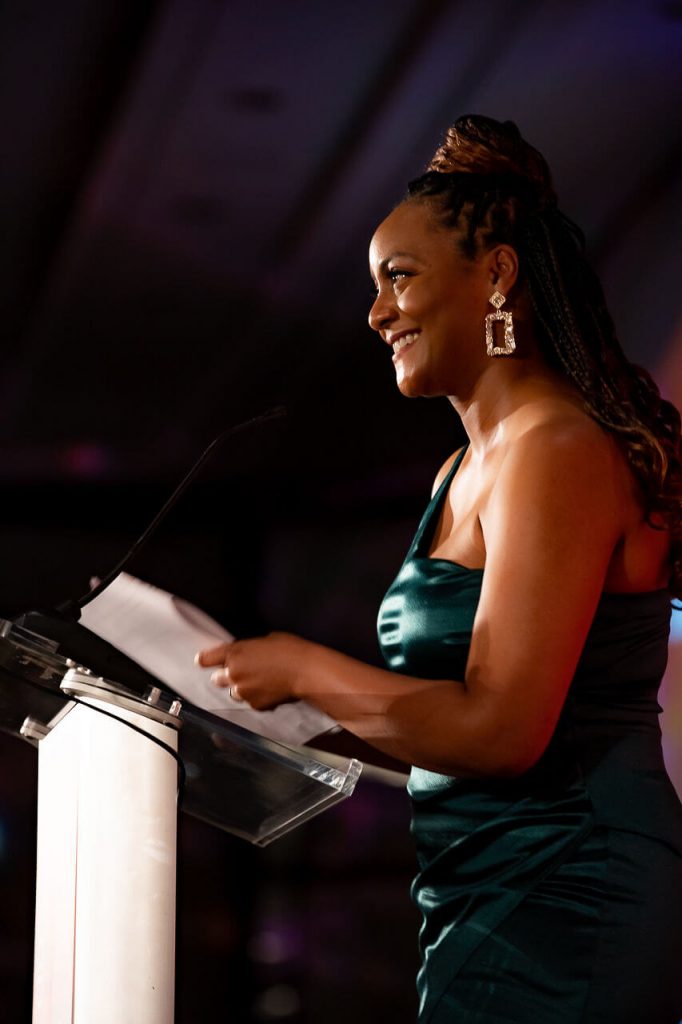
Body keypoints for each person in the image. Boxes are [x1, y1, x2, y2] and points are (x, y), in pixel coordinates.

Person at [197, 115, 682, 1022]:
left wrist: (305, 668)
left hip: (570, 884)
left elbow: (501, 733)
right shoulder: (459, 470)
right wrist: (252, 705)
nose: (377, 314)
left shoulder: (556, 448)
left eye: (399, 277)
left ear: (496, 275)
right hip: (477, 884)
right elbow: (442, 716)